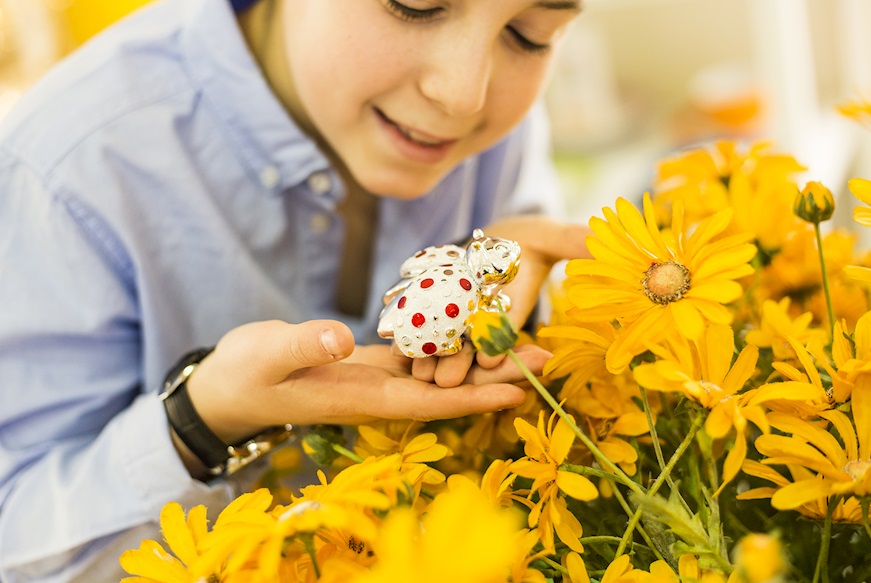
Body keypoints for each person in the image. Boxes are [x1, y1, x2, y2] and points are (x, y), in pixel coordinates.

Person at [0, 0, 588, 579]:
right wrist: (203, 421)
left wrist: (519, 294)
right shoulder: (63, 171)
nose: (463, 94)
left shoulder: (498, 128)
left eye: (531, 33)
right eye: (414, 4)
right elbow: (14, 537)